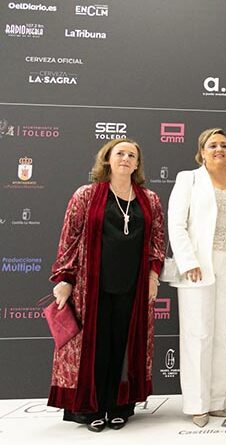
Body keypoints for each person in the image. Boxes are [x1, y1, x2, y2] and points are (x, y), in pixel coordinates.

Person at [49, 138, 165, 432]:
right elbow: (69, 239)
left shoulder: (149, 199)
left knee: (124, 345)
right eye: (120, 153)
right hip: (92, 286)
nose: (126, 158)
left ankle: (119, 406)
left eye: (132, 155)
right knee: (96, 347)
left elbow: (157, 242)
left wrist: (153, 276)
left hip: (134, 286)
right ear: (107, 159)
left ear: (137, 164)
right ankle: (93, 408)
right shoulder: (86, 195)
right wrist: (64, 278)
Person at [167, 128, 226, 427]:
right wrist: (188, 261)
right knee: (198, 334)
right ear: (202, 151)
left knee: (224, 333)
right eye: (212, 145)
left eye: (223, 145)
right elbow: (176, 224)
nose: (218, 149)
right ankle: (197, 404)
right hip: (197, 267)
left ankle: (217, 400)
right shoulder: (188, 179)